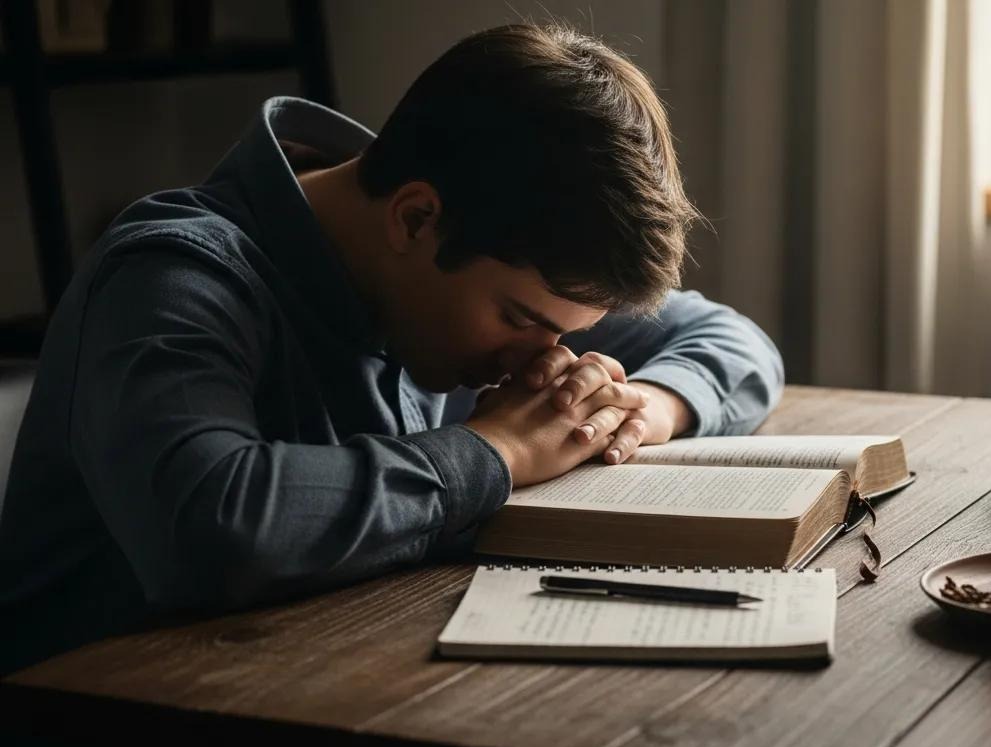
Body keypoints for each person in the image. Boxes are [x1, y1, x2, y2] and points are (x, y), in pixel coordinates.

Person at [0, 24, 783, 673]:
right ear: (414, 219)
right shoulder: (170, 273)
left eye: (564, 335)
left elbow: (732, 340)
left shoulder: (493, 256)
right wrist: (498, 449)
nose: (534, 360)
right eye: (520, 318)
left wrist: (631, 412)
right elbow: (210, 525)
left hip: (345, 682)